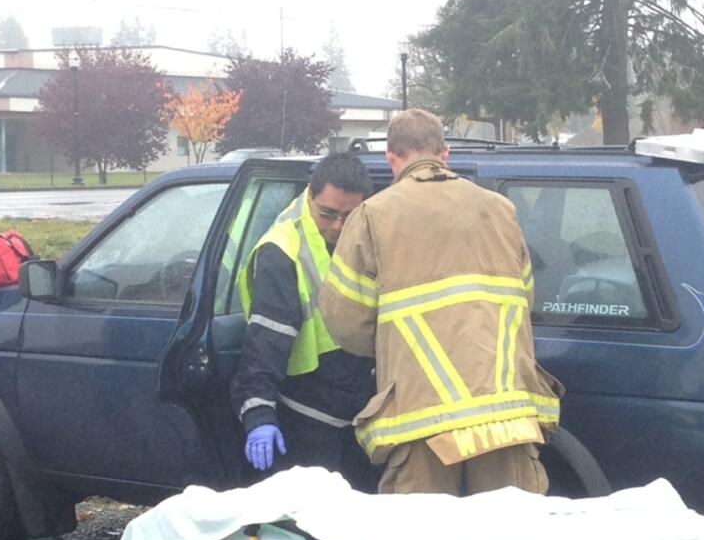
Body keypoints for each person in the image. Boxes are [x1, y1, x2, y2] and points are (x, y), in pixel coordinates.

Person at [320, 108, 561, 495]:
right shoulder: (501, 210)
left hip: (420, 422)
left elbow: (345, 321)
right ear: (444, 153)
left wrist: (392, 346)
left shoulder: (372, 216)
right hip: (506, 416)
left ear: (391, 158)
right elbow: (525, 298)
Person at [230, 151, 375, 486]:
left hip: (360, 414)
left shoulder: (369, 235)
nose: (337, 226)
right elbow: (265, 341)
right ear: (310, 194)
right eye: (328, 214)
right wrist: (258, 412)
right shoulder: (282, 250)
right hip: (310, 417)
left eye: (347, 216)